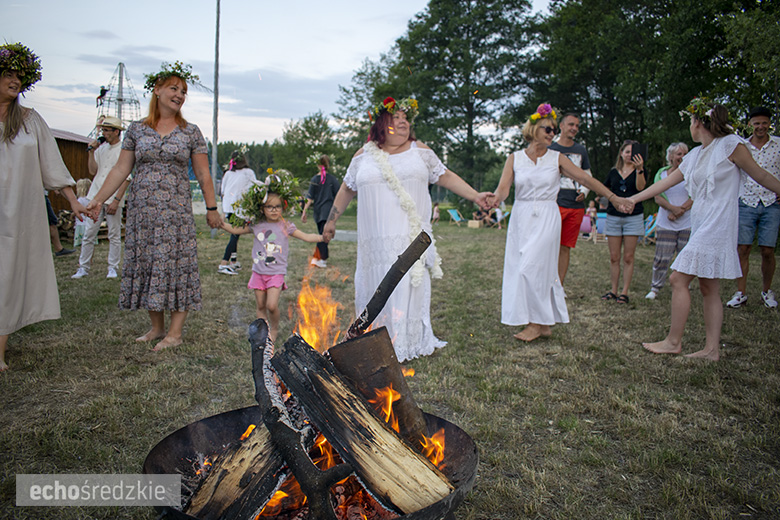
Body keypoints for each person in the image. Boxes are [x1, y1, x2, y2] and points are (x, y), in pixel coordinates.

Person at [322, 96, 492, 362]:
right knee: (375, 284)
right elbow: (346, 188)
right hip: (374, 240)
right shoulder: (363, 155)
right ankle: (374, 338)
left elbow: (445, 176)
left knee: (405, 285)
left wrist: (475, 196)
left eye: (406, 119)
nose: (403, 122)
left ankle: (406, 341)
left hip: (409, 237)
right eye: (396, 117)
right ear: (381, 122)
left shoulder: (420, 151)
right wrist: (332, 220)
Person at [626, 98, 780, 361]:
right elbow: (662, 185)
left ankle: (673, 341)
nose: (689, 127)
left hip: (719, 224)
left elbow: (761, 175)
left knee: (677, 279)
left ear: (698, 122)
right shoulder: (695, 155)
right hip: (700, 222)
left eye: (690, 121)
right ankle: (711, 350)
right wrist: (632, 199)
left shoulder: (732, 145)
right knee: (709, 287)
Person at [86, 61, 221, 351]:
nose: (179, 95)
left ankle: (175, 333)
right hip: (142, 212)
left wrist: (212, 209)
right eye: (174, 88)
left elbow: (203, 174)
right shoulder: (137, 130)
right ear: (157, 90)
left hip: (175, 213)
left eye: (183, 91)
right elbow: (122, 169)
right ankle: (157, 328)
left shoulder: (191, 132)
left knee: (176, 266)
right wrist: (98, 200)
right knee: (148, 263)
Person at [492, 103, 633, 342]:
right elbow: (503, 191)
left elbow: (585, 179)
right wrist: (493, 199)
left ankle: (536, 323)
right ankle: (544, 322)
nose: (551, 133)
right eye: (547, 129)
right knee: (527, 268)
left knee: (532, 267)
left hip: (548, 215)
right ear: (534, 128)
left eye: (554, 130)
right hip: (521, 217)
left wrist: (613, 197)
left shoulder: (557, 158)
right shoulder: (514, 158)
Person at [0, 42, 87, 371]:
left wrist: (73, 200)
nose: (16, 81)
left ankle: (0, 350)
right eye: (9, 74)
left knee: (7, 274)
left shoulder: (29, 120)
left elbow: (52, 164)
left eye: (20, 77)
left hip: (19, 211)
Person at [222, 181, 323, 341]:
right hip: (258, 272)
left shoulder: (286, 226)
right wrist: (221, 224)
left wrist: (322, 237)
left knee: (271, 305)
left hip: (276, 273)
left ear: (283, 207)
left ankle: (274, 328)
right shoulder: (256, 225)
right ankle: (262, 332)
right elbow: (236, 230)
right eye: (269, 207)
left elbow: (305, 236)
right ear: (262, 209)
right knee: (261, 305)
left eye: (277, 206)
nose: (274, 210)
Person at [726, 106, 780, 309]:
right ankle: (741, 292)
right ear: (750, 124)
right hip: (746, 200)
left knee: (767, 250)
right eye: (757, 123)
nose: (761, 127)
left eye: (764, 123)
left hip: (771, 202)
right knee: (743, 248)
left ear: (769, 124)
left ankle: (766, 291)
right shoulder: (741, 146)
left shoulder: (778, 145)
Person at [72, 116, 130, 280]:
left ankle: (112, 268)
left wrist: (117, 200)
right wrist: (91, 152)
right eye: (103, 130)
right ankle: (83, 267)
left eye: (106, 130)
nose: (103, 133)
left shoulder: (123, 150)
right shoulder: (101, 149)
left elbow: (127, 177)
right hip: (95, 196)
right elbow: (92, 171)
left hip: (113, 199)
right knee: (89, 232)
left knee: (114, 234)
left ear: (116, 132)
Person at [549, 112, 593, 285]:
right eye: (571, 125)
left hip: (575, 206)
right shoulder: (551, 148)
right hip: (554, 204)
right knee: (548, 246)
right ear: (561, 126)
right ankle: (545, 283)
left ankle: (558, 286)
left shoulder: (581, 150)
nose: (574, 128)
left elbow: (588, 175)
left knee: (565, 247)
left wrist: (585, 190)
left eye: (577, 126)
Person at [601, 140, 647, 304]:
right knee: (614, 256)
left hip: (633, 217)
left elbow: (641, 188)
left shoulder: (640, 171)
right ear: (621, 153)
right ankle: (613, 290)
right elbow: (605, 191)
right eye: (626, 152)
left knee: (628, 256)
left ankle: (624, 291)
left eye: (632, 152)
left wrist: (640, 169)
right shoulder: (613, 172)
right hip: (613, 217)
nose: (629, 155)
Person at [645, 143, 692, 299]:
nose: (682, 157)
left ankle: (683, 285)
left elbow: (696, 195)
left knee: (684, 256)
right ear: (671, 156)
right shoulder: (662, 174)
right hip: (666, 223)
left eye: (685, 153)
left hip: (687, 223)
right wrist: (672, 209)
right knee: (662, 257)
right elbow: (657, 196)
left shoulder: (692, 173)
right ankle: (655, 288)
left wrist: (680, 211)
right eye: (679, 154)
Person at [217, 149, 256, 275]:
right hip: (240, 207)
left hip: (229, 208)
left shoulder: (228, 174)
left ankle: (233, 261)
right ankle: (224, 263)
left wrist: (224, 210)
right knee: (235, 235)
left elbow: (222, 191)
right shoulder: (248, 172)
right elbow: (254, 187)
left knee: (235, 235)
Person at [301, 154, 340, 268]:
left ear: (318, 165)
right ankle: (322, 257)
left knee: (323, 234)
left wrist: (304, 211)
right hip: (328, 211)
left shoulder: (315, 179)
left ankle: (320, 258)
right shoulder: (332, 179)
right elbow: (339, 195)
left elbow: (309, 197)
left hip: (319, 212)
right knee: (323, 234)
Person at [45, 191, 75, 256]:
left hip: (42, 196)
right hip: (41, 197)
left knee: (52, 222)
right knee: (52, 222)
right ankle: (58, 249)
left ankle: (59, 248)